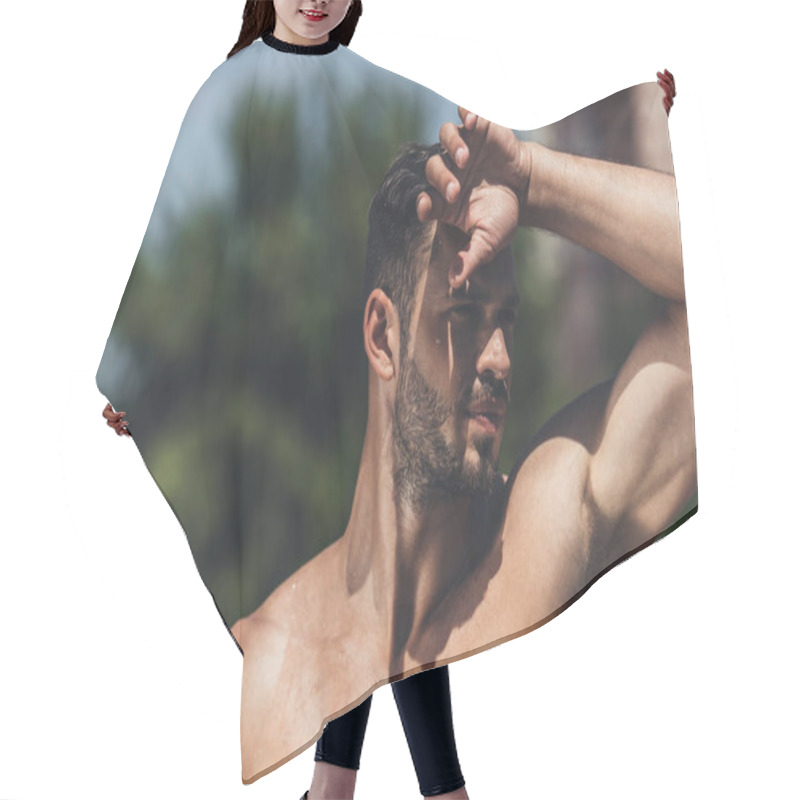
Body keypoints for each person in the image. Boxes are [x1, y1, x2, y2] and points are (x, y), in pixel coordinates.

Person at [229, 67, 694, 780]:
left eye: (506, 321)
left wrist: (535, 183)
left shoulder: (539, 535)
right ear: (382, 337)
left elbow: (739, 291)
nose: (500, 359)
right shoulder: (263, 668)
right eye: (464, 317)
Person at [103, 2, 469, 798]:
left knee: (393, 577)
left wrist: (642, 123)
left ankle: (341, 790)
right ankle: (404, 790)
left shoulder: (371, 89)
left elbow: (482, 156)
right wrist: (139, 369)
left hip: (370, 378)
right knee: (360, 581)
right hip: (284, 388)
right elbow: (184, 233)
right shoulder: (227, 93)